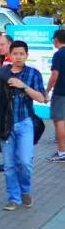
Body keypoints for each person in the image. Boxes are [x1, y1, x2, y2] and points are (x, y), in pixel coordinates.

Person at [0, 40, 45, 211]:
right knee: (9, 164)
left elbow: (41, 98)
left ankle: (25, 190)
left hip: (25, 122)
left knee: (25, 162)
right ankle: (13, 198)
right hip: (5, 125)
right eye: (15, 54)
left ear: (26, 55)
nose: (18, 57)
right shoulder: (2, 73)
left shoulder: (33, 74)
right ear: (10, 55)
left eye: (21, 54)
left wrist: (23, 86)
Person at [0, 34, 14, 173]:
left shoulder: (11, 61)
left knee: (7, 134)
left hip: (9, 106)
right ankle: (7, 161)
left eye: (2, 45)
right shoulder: (4, 60)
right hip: (3, 104)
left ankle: (9, 162)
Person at [46, 29, 65, 162]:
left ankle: (62, 152)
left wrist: (47, 90)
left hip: (60, 93)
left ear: (56, 40)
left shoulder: (58, 55)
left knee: (59, 122)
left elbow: (54, 75)